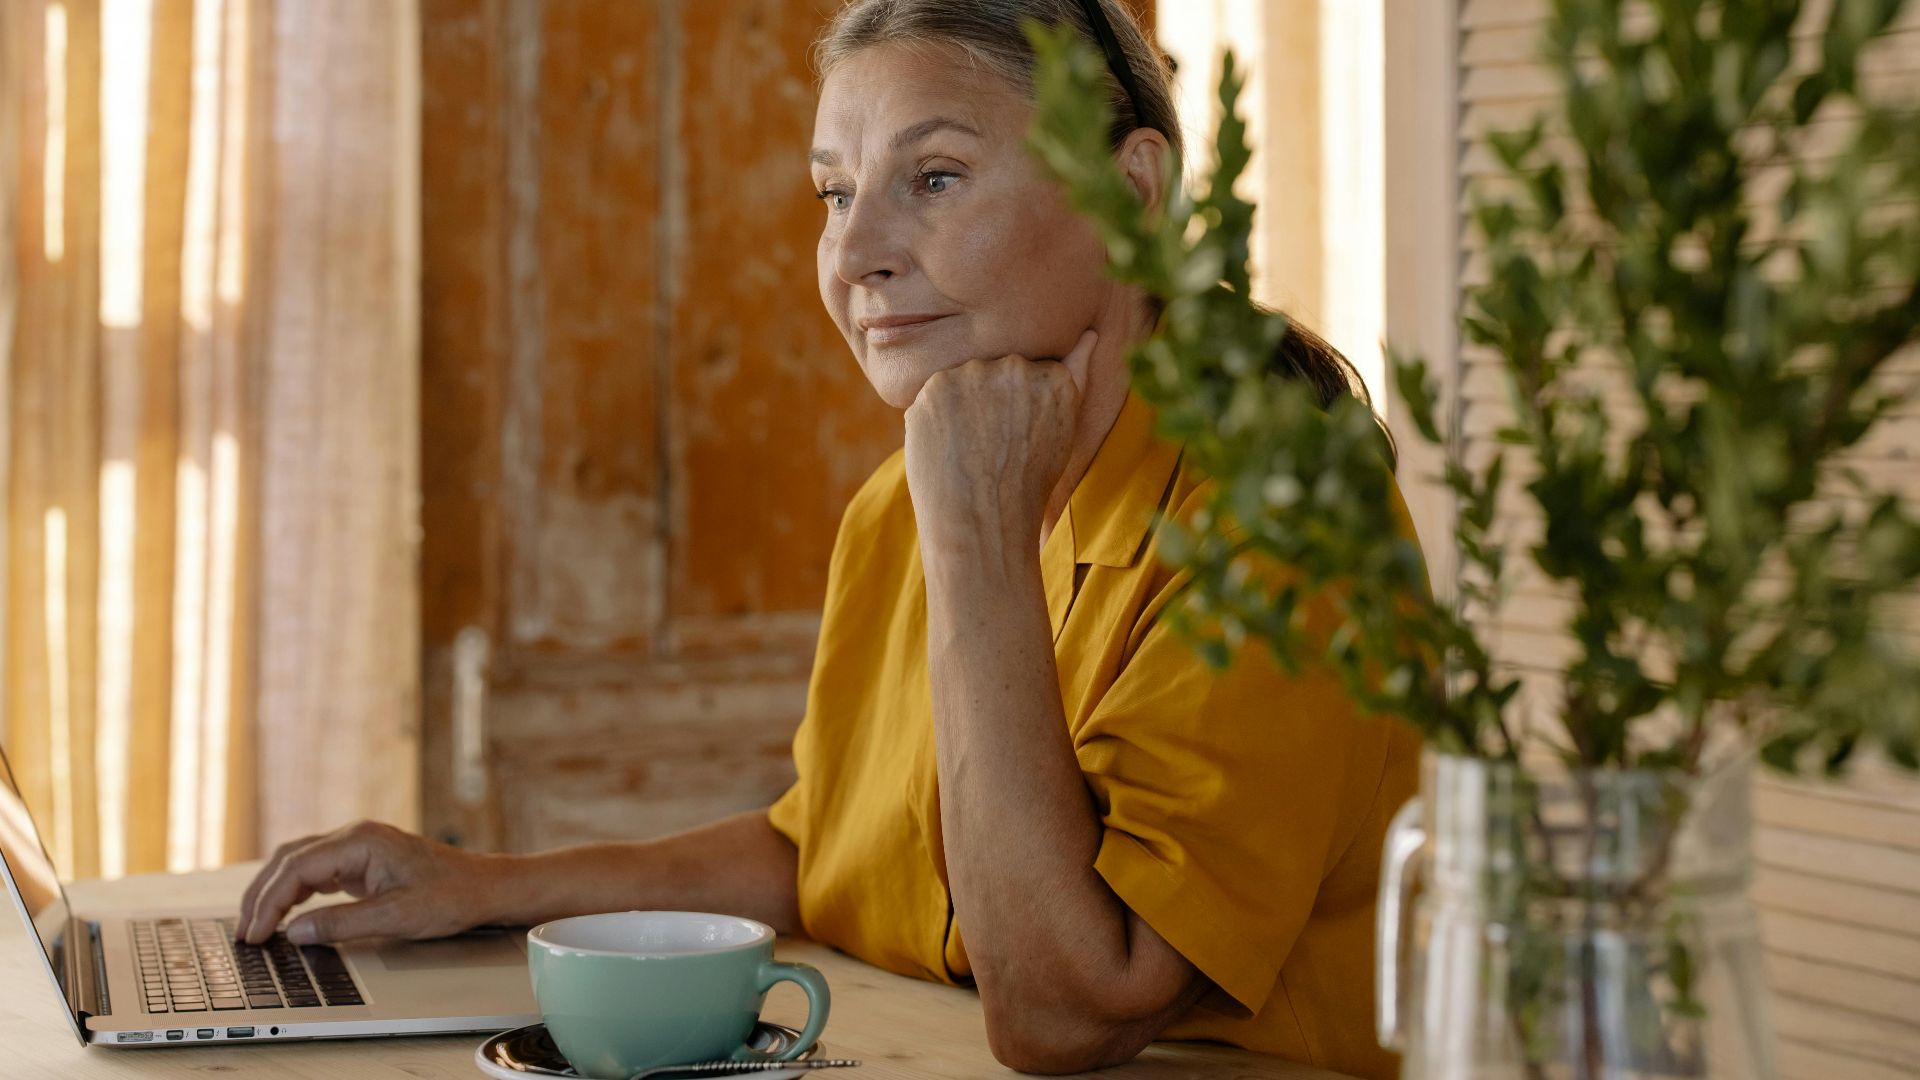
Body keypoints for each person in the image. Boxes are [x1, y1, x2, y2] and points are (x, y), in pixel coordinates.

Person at [238, 2, 1421, 1076]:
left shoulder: (1283, 523)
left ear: (1134, 192)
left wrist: (974, 544)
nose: (856, 257)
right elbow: (832, 852)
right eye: (836, 194)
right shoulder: (900, 508)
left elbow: (1073, 1008)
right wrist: (487, 886)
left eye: (938, 177)